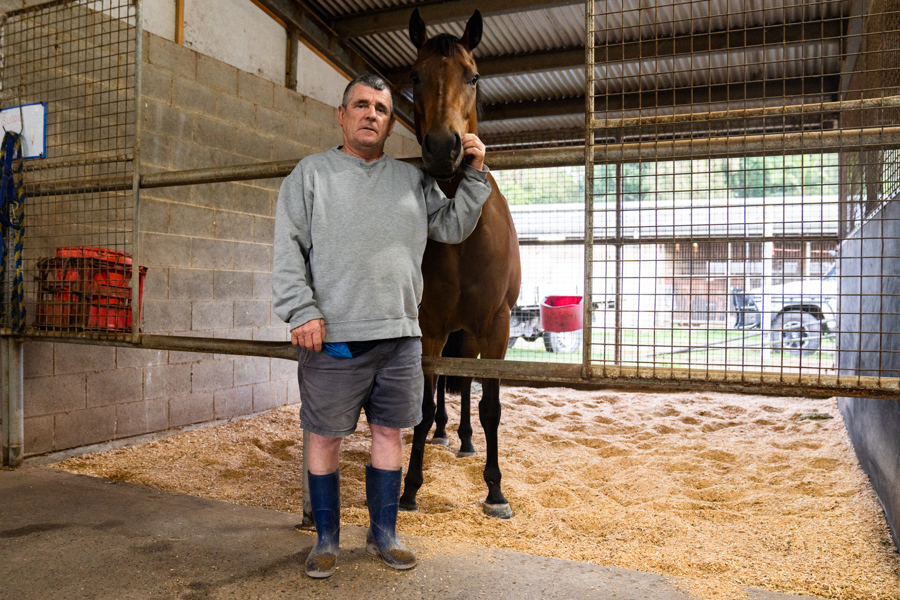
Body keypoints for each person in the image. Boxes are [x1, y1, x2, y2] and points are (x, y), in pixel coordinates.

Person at [272, 73, 491, 579]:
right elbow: (288, 249)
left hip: (400, 338)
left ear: (392, 125)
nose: (371, 114)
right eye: (361, 105)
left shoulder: (411, 179)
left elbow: (452, 225)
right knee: (325, 437)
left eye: (382, 109)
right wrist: (300, 310)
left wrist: (476, 175)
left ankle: (384, 533)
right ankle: (327, 539)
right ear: (341, 115)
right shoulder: (311, 175)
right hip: (333, 338)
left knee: (390, 434)